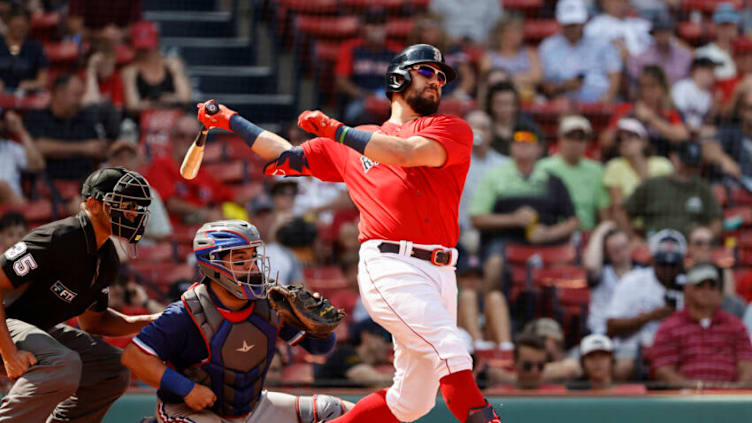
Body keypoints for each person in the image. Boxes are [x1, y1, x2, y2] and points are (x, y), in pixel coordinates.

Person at [195, 43, 502, 423]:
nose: (437, 81)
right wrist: (230, 120)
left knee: (413, 402)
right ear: (397, 78)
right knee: (450, 347)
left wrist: (337, 131)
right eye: (427, 72)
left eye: (441, 77)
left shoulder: (449, 127)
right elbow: (284, 154)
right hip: (391, 264)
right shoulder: (352, 140)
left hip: (441, 272)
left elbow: (405, 153)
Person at [121, 220, 354, 422]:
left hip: (252, 408)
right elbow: (134, 356)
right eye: (240, 260)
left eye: (253, 258)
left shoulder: (271, 300)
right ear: (212, 264)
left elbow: (321, 348)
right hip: (188, 410)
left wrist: (316, 326)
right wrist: (187, 389)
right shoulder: (185, 313)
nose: (252, 267)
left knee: (335, 411)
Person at [0, 167, 157, 422]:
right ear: (94, 205)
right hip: (4, 329)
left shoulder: (106, 258)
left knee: (114, 368)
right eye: (124, 204)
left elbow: (94, 322)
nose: (132, 213)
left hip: (35, 330)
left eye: (136, 207)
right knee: (65, 362)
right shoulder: (57, 238)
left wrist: (148, 321)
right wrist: (8, 353)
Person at [470, 125, 578, 311]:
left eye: (529, 142)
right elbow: (478, 218)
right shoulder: (495, 177)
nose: (523, 146)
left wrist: (549, 234)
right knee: (494, 264)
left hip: (547, 243)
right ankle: (487, 313)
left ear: (539, 148)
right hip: (504, 240)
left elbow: (572, 221)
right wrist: (513, 219)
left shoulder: (552, 179)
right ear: (511, 147)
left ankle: (563, 317)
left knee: (572, 266)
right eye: (518, 142)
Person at [651, 263, 752, 387]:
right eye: (700, 286)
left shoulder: (736, 326)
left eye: (712, 286)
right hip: (684, 398)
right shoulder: (670, 327)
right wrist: (693, 388)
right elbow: (663, 370)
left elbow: (747, 365)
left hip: (728, 396)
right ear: (687, 290)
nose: (707, 291)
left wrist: (736, 390)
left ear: (720, 293)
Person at [605, 229, 686, 380]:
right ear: (653, 260)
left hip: (680, 347)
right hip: (635, 346)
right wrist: (651, 316)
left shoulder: (691, 284)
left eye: (673, 264)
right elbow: (611, 326)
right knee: (623, 367)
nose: (668, 269)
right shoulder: (633, 280)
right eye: (663, 263)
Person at [145, 115, 240, 224]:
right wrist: (205, 213)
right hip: (175, 231)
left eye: (194, 137)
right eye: (182, 136)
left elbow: (229, 196)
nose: (187, 141)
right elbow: (169, 203)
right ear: (172, 138)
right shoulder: (161, 165)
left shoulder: (201, 171)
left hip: (202, 229)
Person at [25, 73, 121, 181]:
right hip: (49, 185)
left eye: (81, 95)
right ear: (59, 93)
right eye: (76, 95)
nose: (80, 101)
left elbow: (97, 148)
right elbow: (38, 146)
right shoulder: (37, 116)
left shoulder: (85, 118)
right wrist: (83, 148)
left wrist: (104, 149)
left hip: (84, 186)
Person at [620, 141, 723, 239]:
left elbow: (716, 221)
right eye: (685, 164)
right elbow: (623, 212)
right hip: (654, 246)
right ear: (673, 158)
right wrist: (632, 238)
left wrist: (703, 240)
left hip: (688, 248)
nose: (688, 169)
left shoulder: (702, 188)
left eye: (693, 165)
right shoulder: (653, 185)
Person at [539, 0, 622, 104]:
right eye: (568, 24)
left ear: (583, 22)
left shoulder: (601, 43)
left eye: (575, 24)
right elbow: (544, 83)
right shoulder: (548, 46)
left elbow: (615, 72)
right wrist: (563, 87)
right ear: (561, 23)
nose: (572, 29)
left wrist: (608, 98)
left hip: (599, 103)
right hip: (562, 104)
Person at [538, 115, 610, 231]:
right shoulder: (543, 167)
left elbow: (603, 210)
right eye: (569, 137)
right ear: (560, 139)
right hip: (552, 232)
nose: (574, 143)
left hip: (587, 233)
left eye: (580, 139)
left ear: (587, 142)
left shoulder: (596, 170)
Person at [600, 65, 688, 158]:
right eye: (643, 86)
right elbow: (605, 141)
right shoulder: (626, 109)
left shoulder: (669, 112)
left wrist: (652, 119)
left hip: (659, 160)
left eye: (652, 86)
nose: (647, 91)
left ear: (662, 88)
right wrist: (627, 119)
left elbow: (682, 136)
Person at [334, 8, 402, 124]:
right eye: (372, 24)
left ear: (386, 27)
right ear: (363, 27)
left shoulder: (397, 51)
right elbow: (341, 81)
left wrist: (387, 97)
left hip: (388, 101)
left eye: (381, 24)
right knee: (359, 114)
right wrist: (363, 95)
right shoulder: (351, 48)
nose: (376, 28)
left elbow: (404, 81)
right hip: (359, 100)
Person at [602, 118, 673, 224]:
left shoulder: (663, 165)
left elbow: (669, 201)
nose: (624, 142)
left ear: (644, 141)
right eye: (620, 139)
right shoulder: (614, 166)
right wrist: (632, 238)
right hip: (629, 228)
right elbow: (618, 209)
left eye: (630, 137)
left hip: (661, 223)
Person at [122, 21, 191, 115]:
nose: (144, 54)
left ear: (156, 45)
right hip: (142, 120)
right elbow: (132, 106)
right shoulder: (130, 71)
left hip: (172, 116)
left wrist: (153, 102)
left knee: (188, 125)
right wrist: (157, 103)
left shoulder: (172, 65)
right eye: (140, 49)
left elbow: (185, 98)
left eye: (147, 49)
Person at [584, 221, 635, 335]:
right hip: (602, 333)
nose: (622, 253)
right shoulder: (601, 272)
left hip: (633, 331)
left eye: (624, 247)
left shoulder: (642, 271)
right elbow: (591, 264)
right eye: (616, 250)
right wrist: (600, 232)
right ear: (607, 254)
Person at [479, 12, 542, 103]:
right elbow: (488, 80)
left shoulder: (530, 53)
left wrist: (506, 79)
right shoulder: (489, 56)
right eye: (513, 31)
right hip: (497, 101)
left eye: (519, 31)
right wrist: (520, 78)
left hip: (527, 99)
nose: (518, 35)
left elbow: (536, 77)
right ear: (501, 33)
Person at [315, 318, 394, 387]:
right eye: (385, 339)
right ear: (367, 336)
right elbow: (373, 380)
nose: (390, 346)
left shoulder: (368, 364)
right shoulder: (345, 353)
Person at [627, 12, 692, 86]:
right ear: (654, 34)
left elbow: (689, 84)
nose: (663, 36)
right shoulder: (640, 58)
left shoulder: (684, 56)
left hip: (679, 95)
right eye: (660, 31)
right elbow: (636, 83)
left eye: (666, 31)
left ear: (672, 33)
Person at [0, 109, 45, 205]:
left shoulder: (11, 147)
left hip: (12, 206)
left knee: (2, 186)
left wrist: (21, 131)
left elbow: (38, 166)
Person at [0, 4, 48, 93]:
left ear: (28, 26)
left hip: (26, 96)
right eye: (16, 26)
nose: (19, 30)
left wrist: (32, 84)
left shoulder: (35, 47)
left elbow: (43, 80)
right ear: (8, 23)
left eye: (22, 27)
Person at [485, 81, 542, 156]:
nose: (504, 108)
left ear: (516, 105)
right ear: (491, 105)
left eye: (508, 103)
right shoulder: (485, 128)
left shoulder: (528, 129)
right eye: (499, 103)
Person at [584, 0, 652, 59]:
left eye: (625, 0)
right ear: (603, 3)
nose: (622, 4)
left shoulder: (642, 24)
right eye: (617, 0)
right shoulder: (595, 27)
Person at [695, 2, 741, 82]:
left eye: (731, 25)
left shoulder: (744, 54)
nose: (727, 30)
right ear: (716, 27)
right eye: (723, 25)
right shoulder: (704, 53)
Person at [671, 57, 719, 133]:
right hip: (679, 130)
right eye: (710, 72)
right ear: (698, 71)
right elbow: (676, 113)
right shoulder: (683, 87)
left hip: (697, 134)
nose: (714, 75)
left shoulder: (708, 95)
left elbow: (706, 121)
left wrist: (714, 107)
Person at [428, 0, 502, 45]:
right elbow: (435, 22)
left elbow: (496, 23)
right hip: (448, 44)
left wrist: (486, 40)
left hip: (481, 43)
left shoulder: (492, 1)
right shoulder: (439, 1)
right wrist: (447, 40)